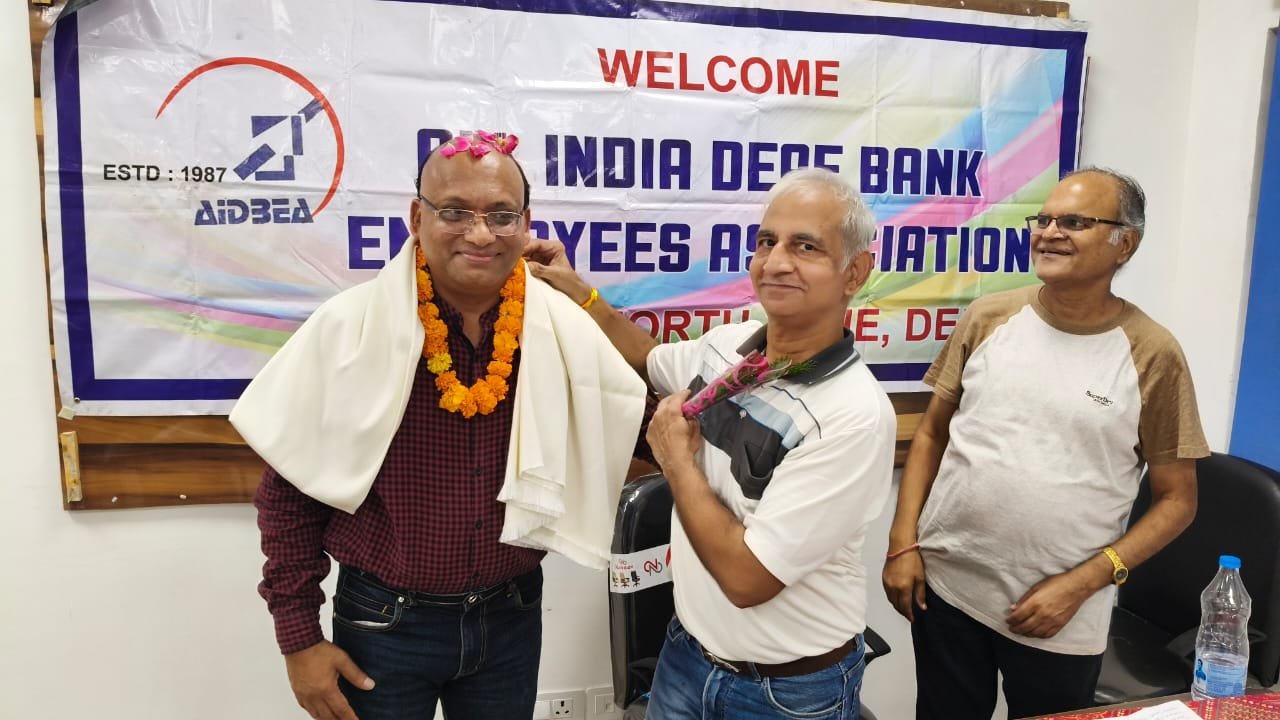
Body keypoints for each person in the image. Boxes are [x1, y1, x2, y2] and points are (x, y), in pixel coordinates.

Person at [230, 130, 647, 720]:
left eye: (501, 215)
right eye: (455, 212)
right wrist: (299, 638)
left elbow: (649, 419)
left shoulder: (564, 329)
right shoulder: (349, 330)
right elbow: (289, 495)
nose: (480, 234)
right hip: (382, 623)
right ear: (416, 217)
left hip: (511, 617)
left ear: (526, 224)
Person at [527, 167, 897, 720]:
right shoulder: (730, 346)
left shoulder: (853, 416)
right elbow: (647, 358)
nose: (775, 262)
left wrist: (676, 462)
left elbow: (748, 579)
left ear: (856, 272)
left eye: (806, 247)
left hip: (785, 694)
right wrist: (582, 293)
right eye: (767, 241)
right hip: (686, 656)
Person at [882, 167, 1210, 719]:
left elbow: (1179, 500)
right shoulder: (989, 317)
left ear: (1125, 244)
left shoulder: (1152, 353)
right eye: (1044, 219)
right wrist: (901, 543)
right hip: (947, 588)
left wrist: (1082, 583)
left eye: (1075, 222)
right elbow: (933, 432)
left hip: (1059, 611)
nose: (1050, 232)